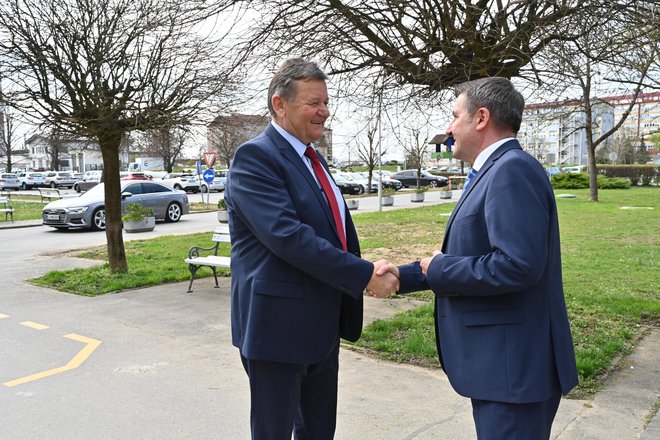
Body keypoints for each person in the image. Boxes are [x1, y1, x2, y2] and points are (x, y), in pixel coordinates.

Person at [378, 77, 579, 439]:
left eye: (455, 115)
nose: (449, 127)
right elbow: (473, 256)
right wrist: (405, 275)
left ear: (481, 117)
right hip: (504, 371)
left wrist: (439, 268)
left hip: (512, 373)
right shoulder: (493, 170)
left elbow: (518, 265)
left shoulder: (510, 170)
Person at [224, 58, 399, 440]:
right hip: (277, 329)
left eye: (326, 102)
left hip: (321, 326)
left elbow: (334, 233)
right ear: (279, 104)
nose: (324, 111)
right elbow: (289, 237)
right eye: (313, 102)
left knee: (319, 432)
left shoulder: (311, 158)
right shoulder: (256, 158)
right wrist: (364, 274)